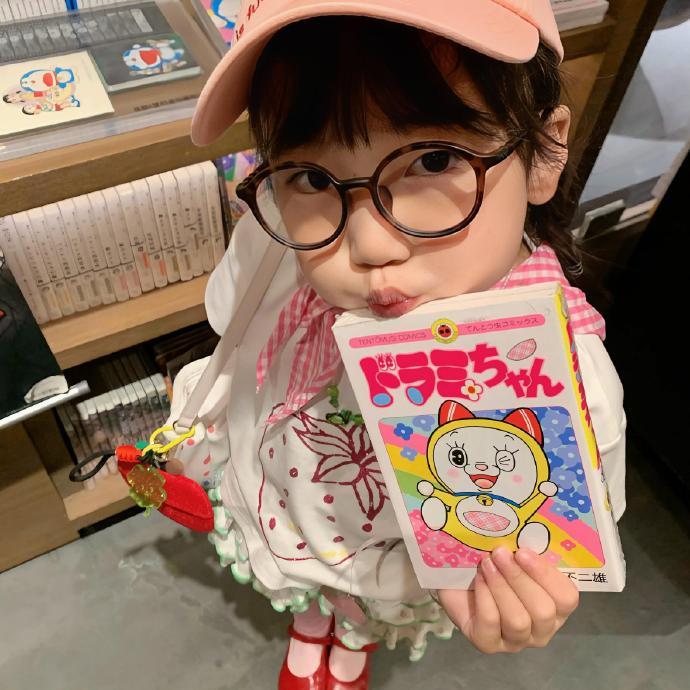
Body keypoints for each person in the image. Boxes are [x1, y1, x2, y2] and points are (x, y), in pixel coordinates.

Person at [171, 2, 627, 688]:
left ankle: (351, 634)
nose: (368, 244)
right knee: (310, 584)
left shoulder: (568, 386)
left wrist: (515, 594)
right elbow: (237, 329)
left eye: (433, 159)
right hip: (288, 499)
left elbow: (561, 529)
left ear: (544, 151)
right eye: (312, 177)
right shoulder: (282, 240)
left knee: (365, 604)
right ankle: (314, 615)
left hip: (393, 557)